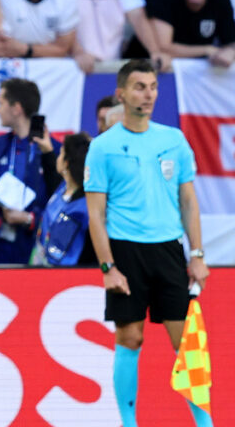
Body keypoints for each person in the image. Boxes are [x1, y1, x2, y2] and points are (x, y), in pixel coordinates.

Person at [84, 59, 211, 427]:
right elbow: (96, 214)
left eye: (153, 86)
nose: (149, 94)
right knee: (131, 337)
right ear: (121, 94)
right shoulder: (103, 147)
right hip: (125, 251)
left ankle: (205, 424)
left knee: (187, 343)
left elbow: (188, 200)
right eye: (140, 87)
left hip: (169, 250)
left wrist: (198, 254)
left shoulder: (173, 139)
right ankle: (129, 423)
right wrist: (108, 267)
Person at [0, 78, 58, 264]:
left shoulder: (53, 150)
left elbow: (63, 201)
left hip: (40, 246)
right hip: (0, 243)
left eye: (0, 103)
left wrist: (30, 218)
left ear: (16, 108)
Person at [30, 130, 94, 266]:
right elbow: (53, 176)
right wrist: (47, 151)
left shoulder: (79, 209)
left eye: (61, 153)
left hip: (62, 275)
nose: (57, 158)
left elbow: (59, 255)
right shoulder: (63, 189)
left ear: (66, 163)